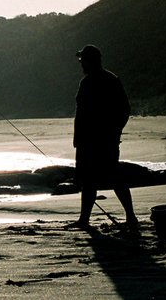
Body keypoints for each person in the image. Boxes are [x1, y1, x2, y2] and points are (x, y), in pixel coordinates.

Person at [66, 44, 139, 231]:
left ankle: (130, 217)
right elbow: (81, 113)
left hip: (103, 141)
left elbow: (124, 110)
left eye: (83, 60)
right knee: (89, 181)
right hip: (87, 141)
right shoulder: (87, 82)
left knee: (114, 178)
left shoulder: (109, 80)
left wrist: (114, 132)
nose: (81, 63)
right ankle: (85, 219)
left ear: (92, 61)